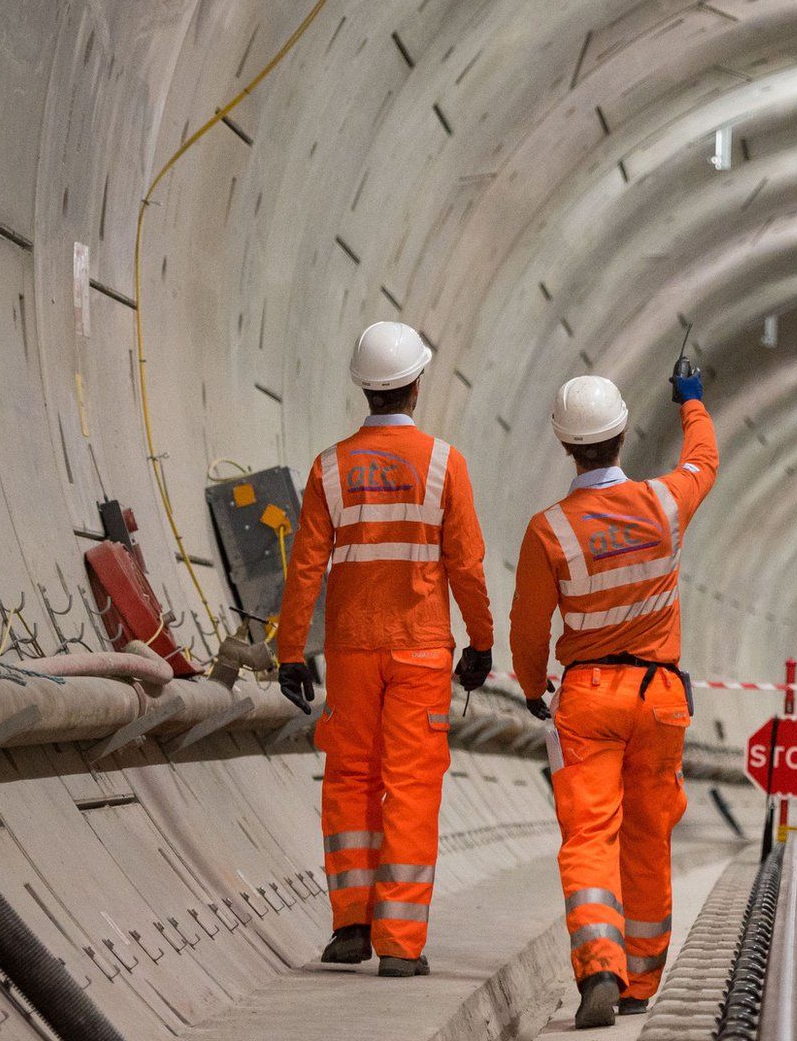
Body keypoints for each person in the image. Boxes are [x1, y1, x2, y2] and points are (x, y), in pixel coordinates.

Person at [277, 321, 496, 977]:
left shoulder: (330, 467)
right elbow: (468, 565)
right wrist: (481, 643)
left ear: (364, 388)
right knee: (410, 788)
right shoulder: (442, 463)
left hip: (349, 651)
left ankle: (350, 927)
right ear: (417, 384)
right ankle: (400, 944)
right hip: (421, 650)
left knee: (349, 781)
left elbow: (305, 567)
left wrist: (291, 651)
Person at [509, 367, 717, 1028]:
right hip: (659, 698)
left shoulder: (550, 530)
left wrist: (529, 684)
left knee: (589, 837)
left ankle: (601, 962)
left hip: (588, 696)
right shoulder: (664, 503)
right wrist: (692, 403)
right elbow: (704, 460)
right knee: (649, 835)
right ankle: (642, 978)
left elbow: (528, 625)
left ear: (566, 446)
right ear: (623, 434)